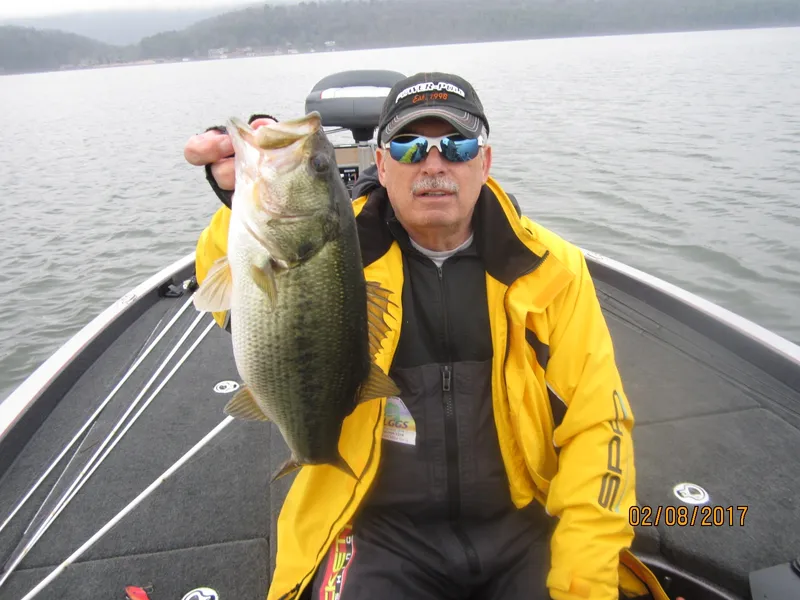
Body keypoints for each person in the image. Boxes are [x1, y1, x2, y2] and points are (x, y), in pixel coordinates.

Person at [185, 72, 668, 600]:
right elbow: (242, 303)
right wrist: (235, 202)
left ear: (483, 162)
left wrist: (584, 576)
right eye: (410, 146)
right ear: (383, 165)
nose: (434, 164)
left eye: (457, 146)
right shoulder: (339, 253)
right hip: (373, 528)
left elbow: (598, 425)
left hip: (526, 521)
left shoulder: (552, 270)